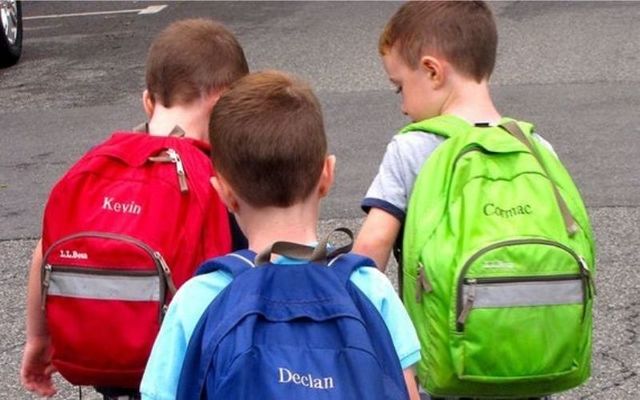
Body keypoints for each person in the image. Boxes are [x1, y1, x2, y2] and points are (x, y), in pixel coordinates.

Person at [354, 2, 594, 400]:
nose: (402, 105)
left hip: (447, 369)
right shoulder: (536, 148)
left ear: (432, 70)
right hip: (533, 366)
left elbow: (370, 249)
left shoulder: (414, 147)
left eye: (400, 87)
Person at [140, 70, 422, 400]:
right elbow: (406, 392)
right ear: (326, 175)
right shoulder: (369, 288)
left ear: (224, 193)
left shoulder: (199, 299)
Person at [20, 18, 249, 399]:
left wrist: (39, 339)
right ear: (227, 104)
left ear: (147, 101)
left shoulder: (98, 168)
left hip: (107, 362)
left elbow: (45, 251)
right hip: (186, 370)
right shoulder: (218, 178)